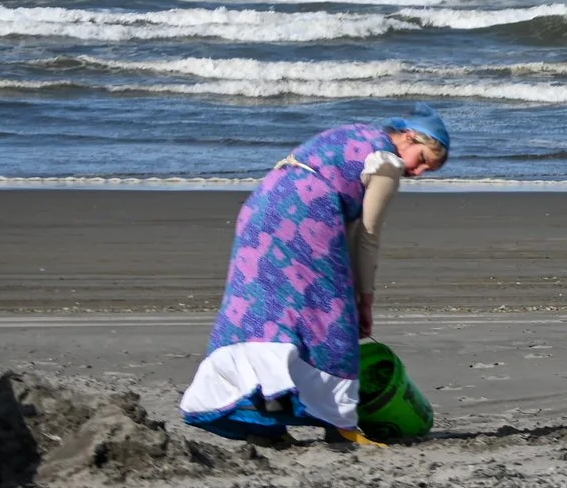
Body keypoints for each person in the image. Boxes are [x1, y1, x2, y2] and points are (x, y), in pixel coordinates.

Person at [180, 109, 450, 445]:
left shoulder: (355, 132)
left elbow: (344, 211)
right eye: (422, 159)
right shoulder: (388, 162)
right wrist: (364, 300)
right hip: (307, 214)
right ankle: (339, 424)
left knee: (264, 312)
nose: (419, 171)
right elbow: (366, 235)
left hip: (262, 206)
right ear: (409, 138)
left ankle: (263, 421)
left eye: (428, 169)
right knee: (331, 316)